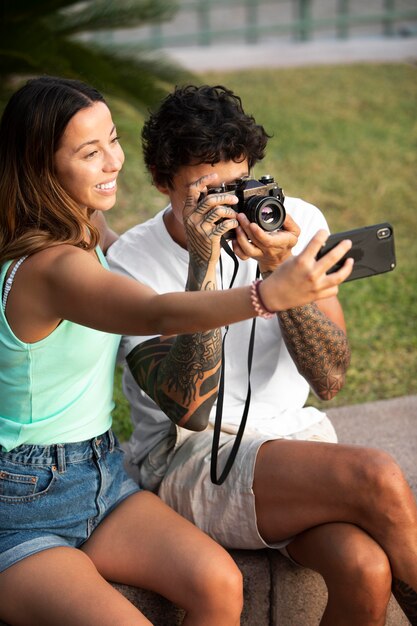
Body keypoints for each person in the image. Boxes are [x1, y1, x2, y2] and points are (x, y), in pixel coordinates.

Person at [0, 76, 356, 626]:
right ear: (39, 167)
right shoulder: (52, 267)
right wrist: (268, 292)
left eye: (112, 140)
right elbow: (154, 311)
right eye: (89, 152)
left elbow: (126, 253)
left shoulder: (85, 231)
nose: (112, 162)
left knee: (220, 584)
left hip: (101, 476)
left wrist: (250, 252)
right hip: (21, 502)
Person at [107, 84, 417, 626]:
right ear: (161, 184)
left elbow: (331, 377)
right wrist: (203, 261)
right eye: (205, 192)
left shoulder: (290, 220)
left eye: (239, 184)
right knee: (376, 474)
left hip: (293, 442)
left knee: (365, 569)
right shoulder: (133, 263)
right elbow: (191, 411)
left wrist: (279, 269)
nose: (229, 207)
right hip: (191, 460)